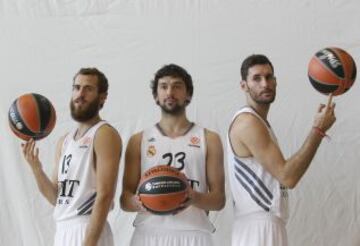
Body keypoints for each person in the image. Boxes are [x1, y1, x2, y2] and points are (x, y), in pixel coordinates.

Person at [227, 54, 336, 246]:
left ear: (276, 82)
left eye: (269, 77)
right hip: (258, 227)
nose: (265, 83)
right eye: (257, 78)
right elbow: (288, 176)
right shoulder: (248, 122)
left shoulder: (260, 123)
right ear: (243, 86)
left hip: (266, 224)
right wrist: (318, 130)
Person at [120, 64, 225, 246]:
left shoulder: (209, 138)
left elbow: (219, 200)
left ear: (188, 95)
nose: (170, 92)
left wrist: (195, 197)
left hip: (194, 233)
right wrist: (140, 201)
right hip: (149, 233)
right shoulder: (138, 140)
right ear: (156, 96)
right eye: (163, 86)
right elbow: (124, 200)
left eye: (177, 86)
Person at [21, 68, 122, 246]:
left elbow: (105, 195)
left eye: (88, 89)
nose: (80, 94)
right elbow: (55, 197)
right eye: (76, 87)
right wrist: (36, 168)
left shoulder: (104, 134)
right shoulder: (64, 141)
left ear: (102, 97)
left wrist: (88, 243)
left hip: (88, 229)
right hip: (63, 231)